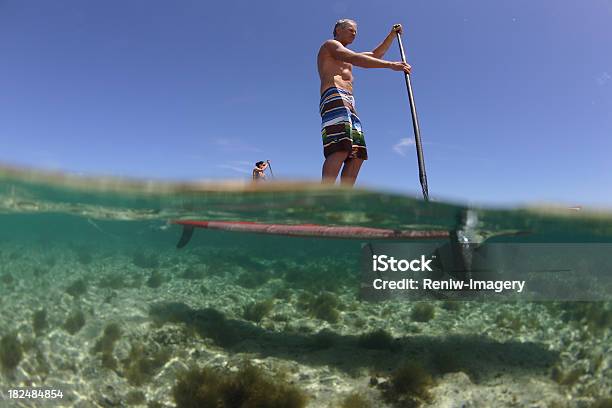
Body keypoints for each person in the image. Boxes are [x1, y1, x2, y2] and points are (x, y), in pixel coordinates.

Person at [318, 20, 412, 185]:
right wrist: (391, 65)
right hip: (334, 95)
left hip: (350, 102)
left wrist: (391, 35)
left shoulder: (346, 53)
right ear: (338, 29)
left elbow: (375, 55)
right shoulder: (331, 45)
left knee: (357, 154)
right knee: (340, 148)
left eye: (356, 31)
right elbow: (355, 58)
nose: (354, 33)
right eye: (351, 30)